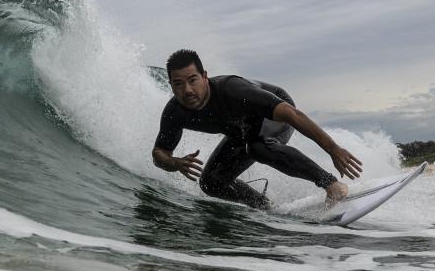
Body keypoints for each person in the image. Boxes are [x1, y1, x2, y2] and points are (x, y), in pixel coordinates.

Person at [151, 49, 362, 209]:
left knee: (257, 147)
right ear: (170, 84)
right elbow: (159, 153)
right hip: (240, 130)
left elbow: (293, 115)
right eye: (178, 84)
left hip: (276, 108)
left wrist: (333, 149)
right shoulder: (175, 112)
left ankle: (332, 186)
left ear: (205, 76)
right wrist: (174, 163)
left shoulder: (232, 90)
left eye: (192, 80)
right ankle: (263, 206)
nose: (187, 90)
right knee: (211, 183)